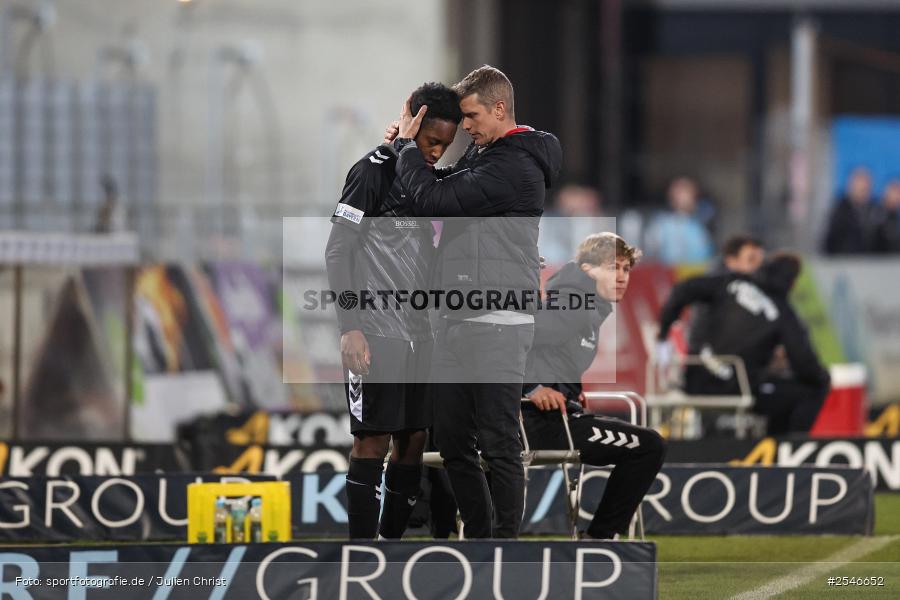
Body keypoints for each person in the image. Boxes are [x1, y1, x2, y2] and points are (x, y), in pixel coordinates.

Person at [387, 65, 562, 538]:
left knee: (499, 441)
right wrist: (407, 150)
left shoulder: (514, 163)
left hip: (499, 320)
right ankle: (483, 541)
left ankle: (506, 548)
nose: (465, 126)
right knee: (454, 444)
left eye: (471, 115)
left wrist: (407, 152)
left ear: (499, 109)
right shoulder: (487, 157)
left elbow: (435, 201)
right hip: (459, 318)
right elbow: (434, 189)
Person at [324, 82, 462, 540]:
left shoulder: (431, 183)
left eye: (444, 145)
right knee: (373, 440)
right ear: (410, 119)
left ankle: (390, 551)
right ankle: (362, 557)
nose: (436, 153)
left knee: (414, 441)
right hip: (374, 331)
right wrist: (351, 328)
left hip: (421, 334)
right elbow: (338, 251)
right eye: (430, 142)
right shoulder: (371, 172)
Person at [522, 233, 665, 540]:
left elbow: (543, 352)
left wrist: (570, 388)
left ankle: (599, 538)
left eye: (626, 269)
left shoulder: (585, 307)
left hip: (558, 417)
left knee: (646, 444)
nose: (622, 277)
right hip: (540, 424)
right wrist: (531, 389)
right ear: (587, 270)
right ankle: (600, 539)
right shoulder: (574, 303)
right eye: (613, 267)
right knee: (648, 447)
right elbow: (511, 344)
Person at [656, 253, 831, 434]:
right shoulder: (783, 311)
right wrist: (822, 377)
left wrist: (662, 334)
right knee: (814, 388)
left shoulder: (730, 283)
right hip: (736, 388)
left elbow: (683, 289)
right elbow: (804, 362)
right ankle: (779, 450)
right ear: (793, 284)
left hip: (695, 380)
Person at [687, 234, 765, 355]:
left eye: (760, 261)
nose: (757, 266)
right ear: (733, 260)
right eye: (751, 260)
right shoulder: (720, 287)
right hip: (714, 356)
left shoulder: (746, 280)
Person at [643, 176, 715, 265]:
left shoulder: (698, 225)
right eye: (682, 193)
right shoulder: (662, 224)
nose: (690, 198)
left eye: (691, 194)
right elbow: (651, 252)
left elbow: (706, 254)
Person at [823, 167, 882, 254]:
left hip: (871, 263)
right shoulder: (840, 209)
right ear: (851, 185)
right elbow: (830, 240)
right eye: (859, 182)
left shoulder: (876, 209)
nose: (863, 186)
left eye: (866, 183)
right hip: (845, 262)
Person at [874, 178, 900, 253]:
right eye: (895, 191)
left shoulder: (894, 214)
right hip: (877, 259)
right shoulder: (878, 213)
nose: (897, 196)